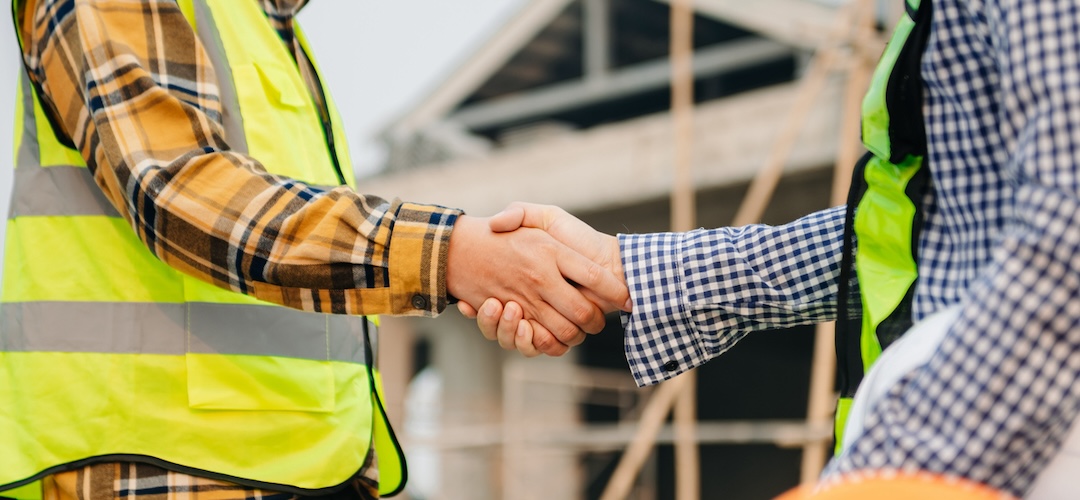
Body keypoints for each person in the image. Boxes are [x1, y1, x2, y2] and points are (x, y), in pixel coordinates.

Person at [0, 1, 629, 499]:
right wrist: (455, 255)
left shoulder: (265, 26)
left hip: (306, 464)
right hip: (171, 466)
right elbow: (176, 189)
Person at [464, 0, 1080, 497]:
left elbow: (1067, 245)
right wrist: (624, 270)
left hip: (999, 456)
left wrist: (894, 472)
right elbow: (927, 231)